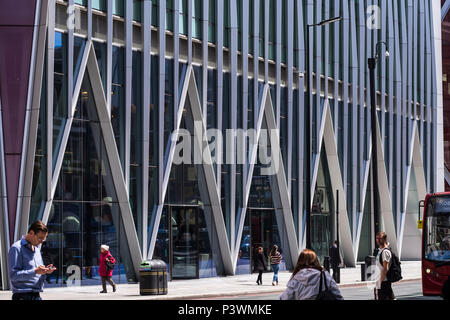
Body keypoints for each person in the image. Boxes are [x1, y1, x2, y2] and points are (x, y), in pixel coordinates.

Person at [8, 221, 57, 300]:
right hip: (22, 296)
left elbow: (38, 272)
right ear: (31, 233)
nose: (41, 242)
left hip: (36, 295)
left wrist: (45, 271)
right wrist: (35, 271)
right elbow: (13, 275)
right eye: (40, 238)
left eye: (43, 240)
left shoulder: (37, 250)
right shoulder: (16, 248)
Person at [375, 231, 395, 300]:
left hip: (384, 281)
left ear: (384, 239)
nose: (378, 240)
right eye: (377, 238)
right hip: (381, 282)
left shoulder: (385, 252)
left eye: (380, 238)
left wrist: (380, 281)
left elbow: (385, 268)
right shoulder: (380, 250)